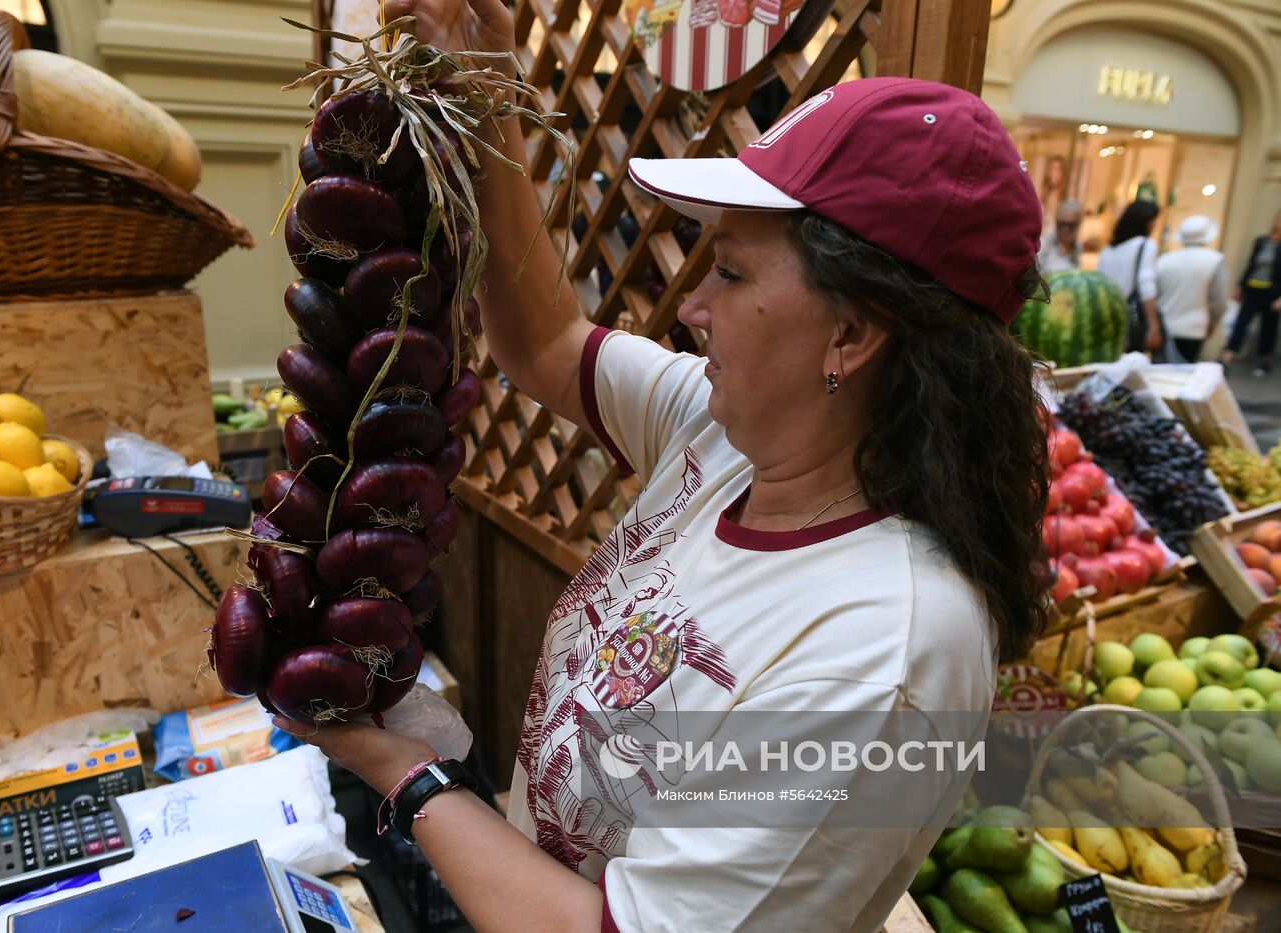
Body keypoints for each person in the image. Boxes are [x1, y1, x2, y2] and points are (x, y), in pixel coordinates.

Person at [279, 2, 1051, 930]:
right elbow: (550, 343)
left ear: (851, 330)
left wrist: (399, 771)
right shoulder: (729, 434)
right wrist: (487, 94)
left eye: (728, 271)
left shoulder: (883, 651)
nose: (692, 307)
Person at [1157, 215, 1228, 363]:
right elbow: (1218, 301)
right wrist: (1213, 322)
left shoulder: (1164, 260)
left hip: (1163, 326)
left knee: (1160, 373)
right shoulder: (1214, 260)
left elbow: (1154, 294)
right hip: (1194, 328)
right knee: (1184, 374)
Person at [1096, 200, 1163, 354]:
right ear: (1146, 222)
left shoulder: (1108, 250)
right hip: (1130, 320)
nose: (1155, 226)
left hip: (1106, 318)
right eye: (1153, 221)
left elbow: (1099, 284)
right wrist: (1154, 326)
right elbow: (1147, 285)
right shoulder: (1146, 245)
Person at [1222, 208, 1281, 377]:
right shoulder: (1262, 241)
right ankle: (1227, 357)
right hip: (1253, 288)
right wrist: (1241, 286)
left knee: (1268, 328)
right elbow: (1251, 265)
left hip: (1272, 292)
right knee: (1240, 324)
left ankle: (1265, 360)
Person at [1038, 198, 1084, 273]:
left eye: (1071, 225)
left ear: (1079, 225)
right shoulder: (1044, 246)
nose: (1065, 229)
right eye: (1061, 224)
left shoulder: (1078, 246)